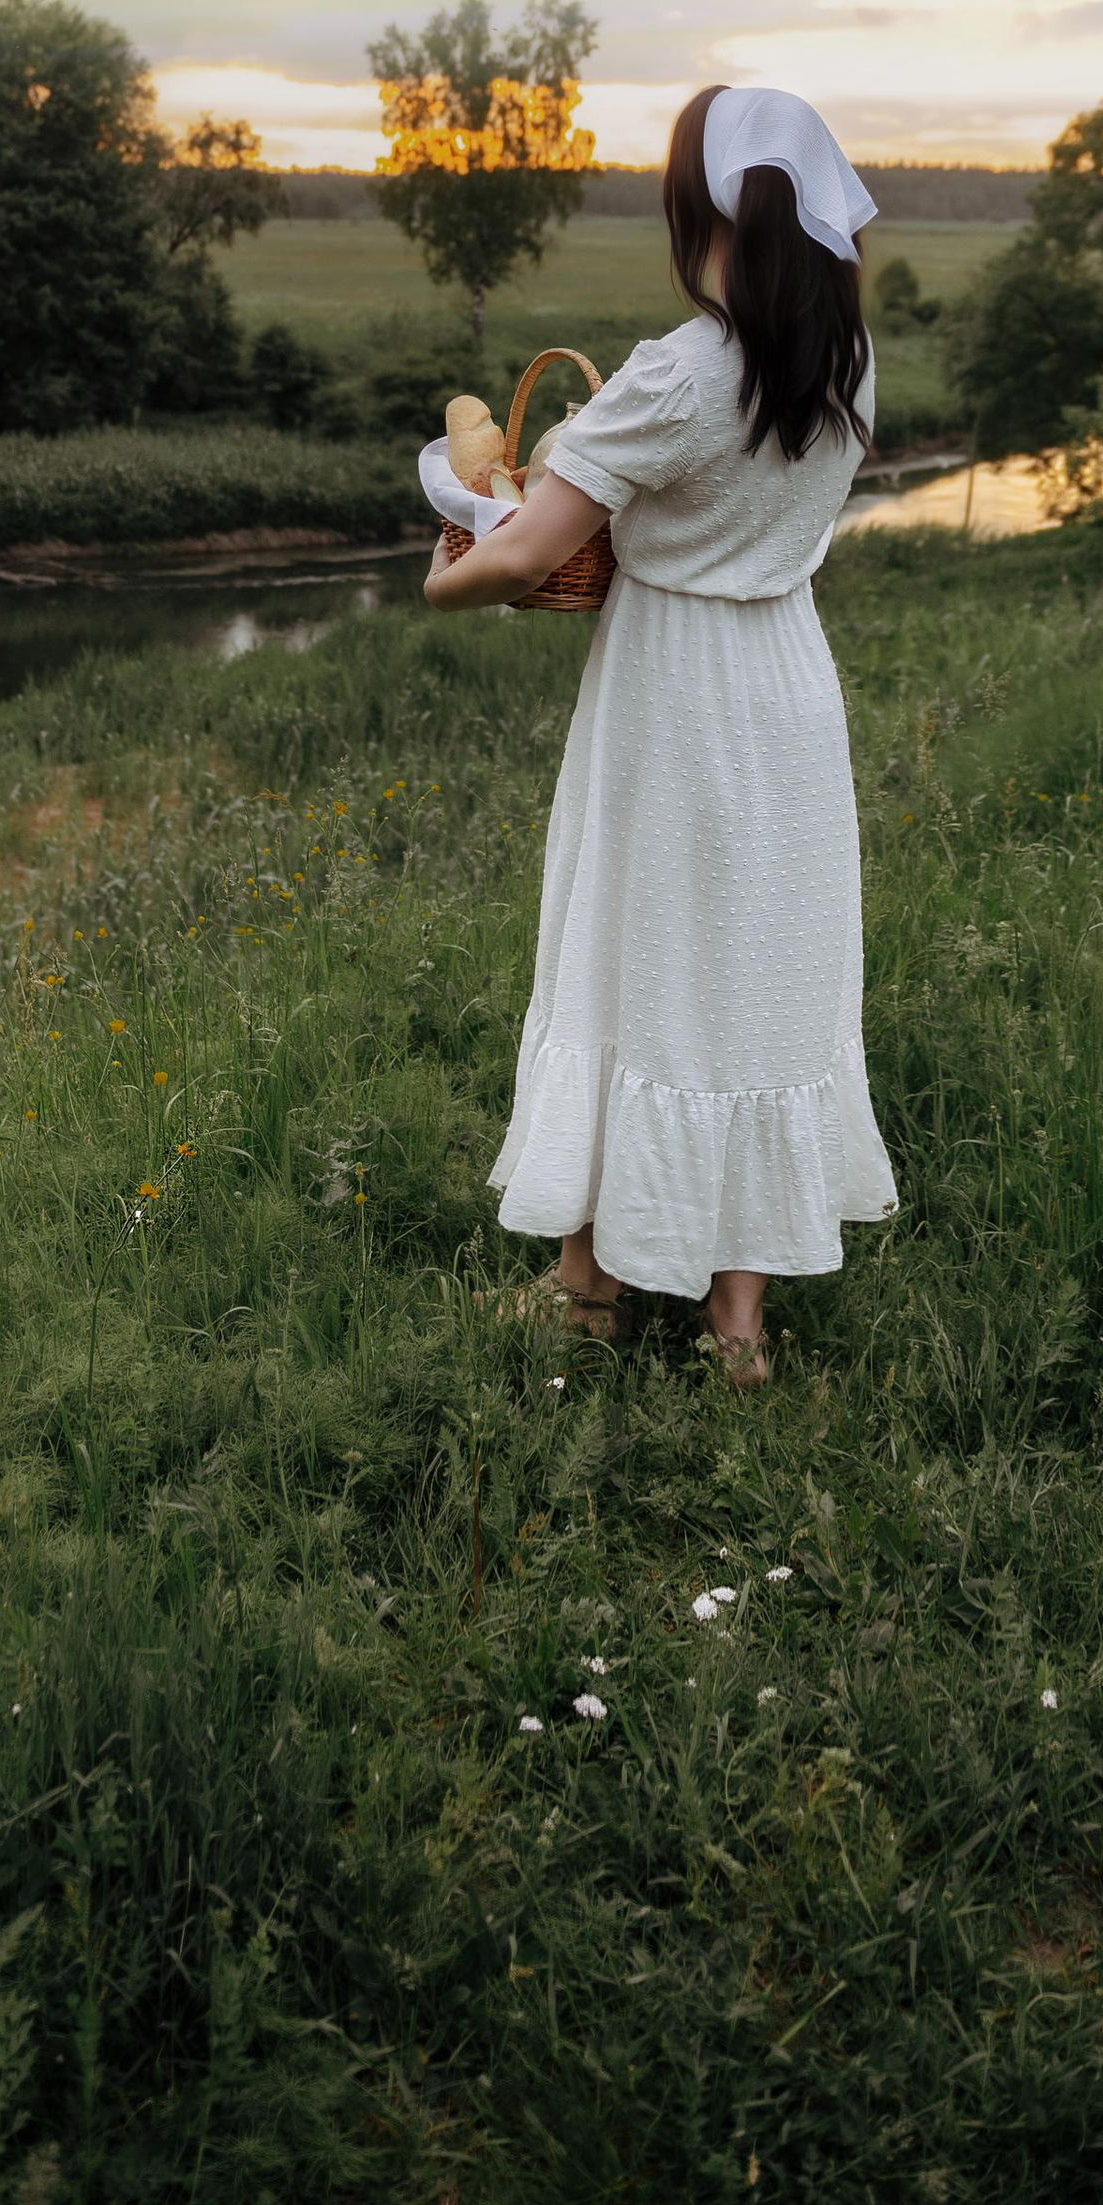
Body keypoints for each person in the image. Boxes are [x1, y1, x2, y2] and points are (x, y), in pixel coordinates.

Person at [423, 84, 899, 1383]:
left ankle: (588, 1294)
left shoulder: (679, 374)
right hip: (786, 689)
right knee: (754, 981)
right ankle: (736, 1325)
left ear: (708, 213)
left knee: (634, 967)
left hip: (673, 697)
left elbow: (521, 555)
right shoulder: (847, 362)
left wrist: (441, 571)